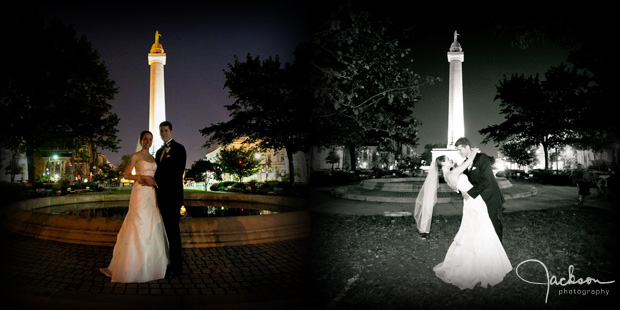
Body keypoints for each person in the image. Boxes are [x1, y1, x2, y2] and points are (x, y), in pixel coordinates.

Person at [433, 151, 512, 290]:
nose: (450, 159)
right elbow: (468, 162)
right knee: (482, 228)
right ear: (443, 163)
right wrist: (474, 152)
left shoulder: (447, 177)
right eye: (448, 159)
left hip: (471, 202)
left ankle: (480, 261)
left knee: (475, 230)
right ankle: (486, 264)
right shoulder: (452, 173)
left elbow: (463, 189)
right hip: (474, 203)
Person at [100, 131, 169, 283]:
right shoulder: (135, 156)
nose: (148, 142)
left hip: (151, 194)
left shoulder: (153, 157)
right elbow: (126, 175)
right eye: (145, 139)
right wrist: (142, 177)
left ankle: (151, 264)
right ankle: (131, 265)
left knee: (151, 224)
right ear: (141, 140)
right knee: (137, 223)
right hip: (140, 192)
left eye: (150, 139)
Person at [455, 137, 505, 243]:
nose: (459, 152)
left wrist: (470, 194)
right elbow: (467, 181)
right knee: (484, 225)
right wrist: (460, 189)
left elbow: (487, 180)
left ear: (467, 147)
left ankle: (499, 250)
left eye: (460, 149)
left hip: (491, 198)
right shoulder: (466, 162)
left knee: (494, 223)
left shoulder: (482, 158)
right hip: (480, 200)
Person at [155, 121, 186, 277]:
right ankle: (166, 262)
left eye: (166, 130)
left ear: (172, 132)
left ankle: (177, 267)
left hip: (172, 197)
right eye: (161, 131)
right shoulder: (158, 152)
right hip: (160, 197)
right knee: (164, 233)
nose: (164, 133)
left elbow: (177, 172)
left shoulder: (179, 149)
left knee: (174, 234)